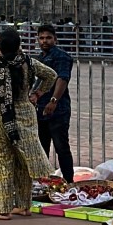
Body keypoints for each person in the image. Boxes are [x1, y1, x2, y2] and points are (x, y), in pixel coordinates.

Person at [0, 27, 56, 218]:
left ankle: (3, 210)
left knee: (3, 163)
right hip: (26, 112)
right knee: (23, 163)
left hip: (0, 117)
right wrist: (37, 93)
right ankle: (24, 206)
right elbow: (51, 75)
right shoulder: (28, 62)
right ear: (19, 45)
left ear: (0, 47)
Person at [32, 23, 75, 183]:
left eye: (48, 38)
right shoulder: (40, 58)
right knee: (42, 147)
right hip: (41, 109)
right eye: (41, 38)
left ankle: (69, 181)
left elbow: (62, 78)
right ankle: (43, 181)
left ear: (55, 39)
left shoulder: (61, 57)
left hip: (58, 110)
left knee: (61, 147)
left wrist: (53, 101)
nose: (44, 41)